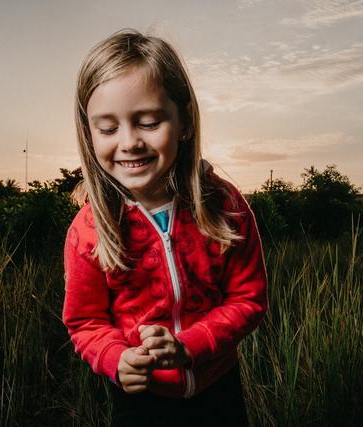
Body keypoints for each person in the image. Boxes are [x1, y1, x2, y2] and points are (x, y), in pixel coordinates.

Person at [62, 28, 268, 427]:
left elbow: (248, 298)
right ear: (89, 134)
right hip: (140, 401)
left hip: (218, 388)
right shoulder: (89, 227)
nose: (129, 142)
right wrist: (115, 358)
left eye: (149, 121)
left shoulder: (224, 205)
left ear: (185, 120)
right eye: (108, 128)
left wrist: (189, 346)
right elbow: (85, 322)